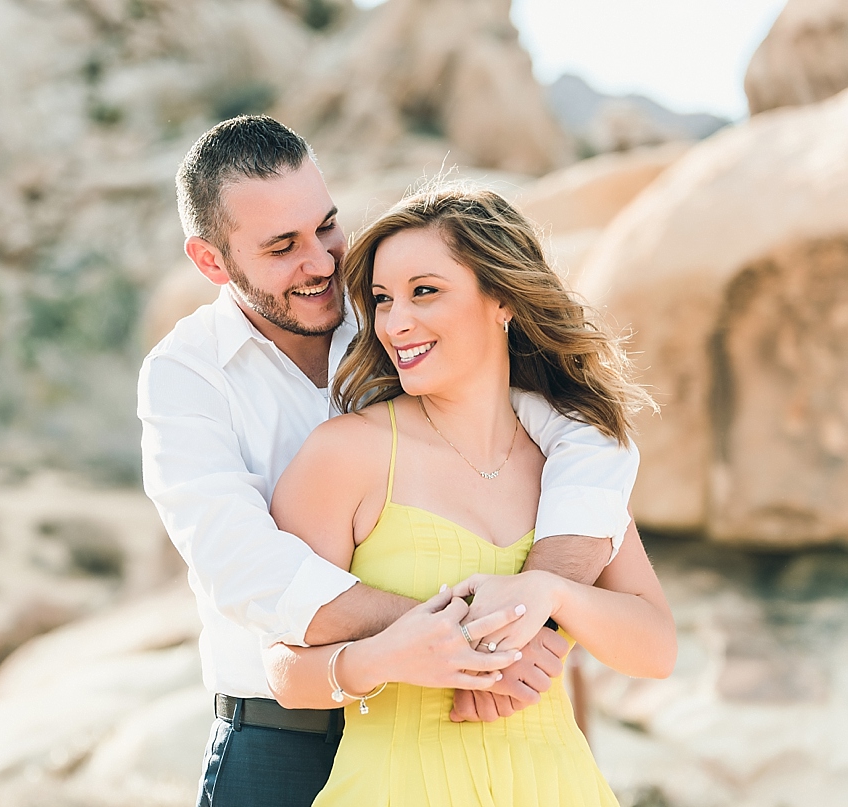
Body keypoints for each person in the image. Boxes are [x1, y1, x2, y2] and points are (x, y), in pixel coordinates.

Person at [137, 115, 640, 807]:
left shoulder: (394, 311)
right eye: (283, 246)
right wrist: (462, 635)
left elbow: (585, 434)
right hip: (281, 739)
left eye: (326, 227)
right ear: (211, 261)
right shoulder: (185, 375)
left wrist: (538, 610)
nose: (320, 262)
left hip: (450, 735)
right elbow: (243, 566)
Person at [262, 186, 677, 806]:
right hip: (397, 788)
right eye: (381, 300)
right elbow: (282, 668)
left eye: (424, 291)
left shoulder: (573, 468)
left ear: (502, 299)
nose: (395, 322)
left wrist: (553, 593)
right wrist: (385, 658)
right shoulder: (344, 454)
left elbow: (656, 648)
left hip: (558, 787)